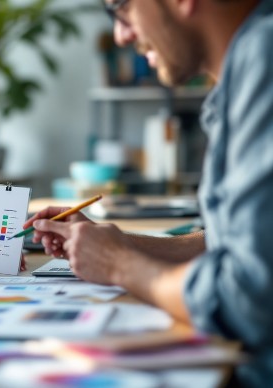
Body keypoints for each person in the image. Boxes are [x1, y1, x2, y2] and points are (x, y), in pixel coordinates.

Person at [26, 0, 273, 385]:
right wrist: (118, 244)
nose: (122, 34)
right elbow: (239, 248)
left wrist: (120, 265)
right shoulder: (242, 72)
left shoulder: (265, 56)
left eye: (121, 8)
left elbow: (247, 299)